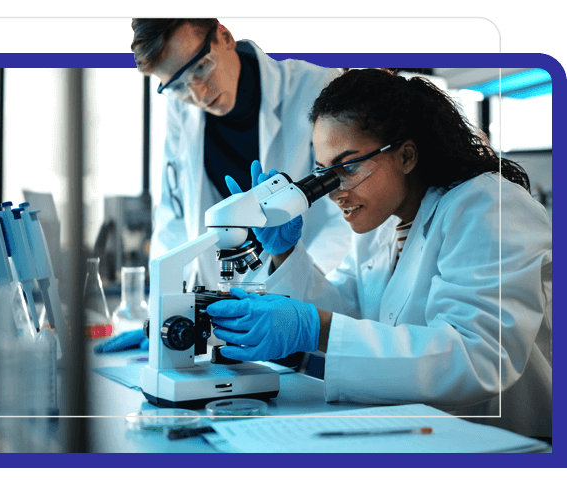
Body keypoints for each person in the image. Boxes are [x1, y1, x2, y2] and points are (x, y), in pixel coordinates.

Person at [207, 68, 552, 438]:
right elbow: (348, 307)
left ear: (406, 156)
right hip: (420, 434)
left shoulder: (488, 206)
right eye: (323, 172)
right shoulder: (382, 223)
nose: (335, 192)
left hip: (513, 440)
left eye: (347, 166)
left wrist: (312, 328)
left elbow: (477, 357)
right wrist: (286, 253)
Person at [130, 18, 349, 291]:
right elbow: (173, 218)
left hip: (310, 285)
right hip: (222, 294)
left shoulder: (313, 87)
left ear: (224, 37)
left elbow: (344, 212)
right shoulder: (181, 111)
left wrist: (294, 287)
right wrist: (168, 304)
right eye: (177, 85)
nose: (198, 93)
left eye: (200, 67)